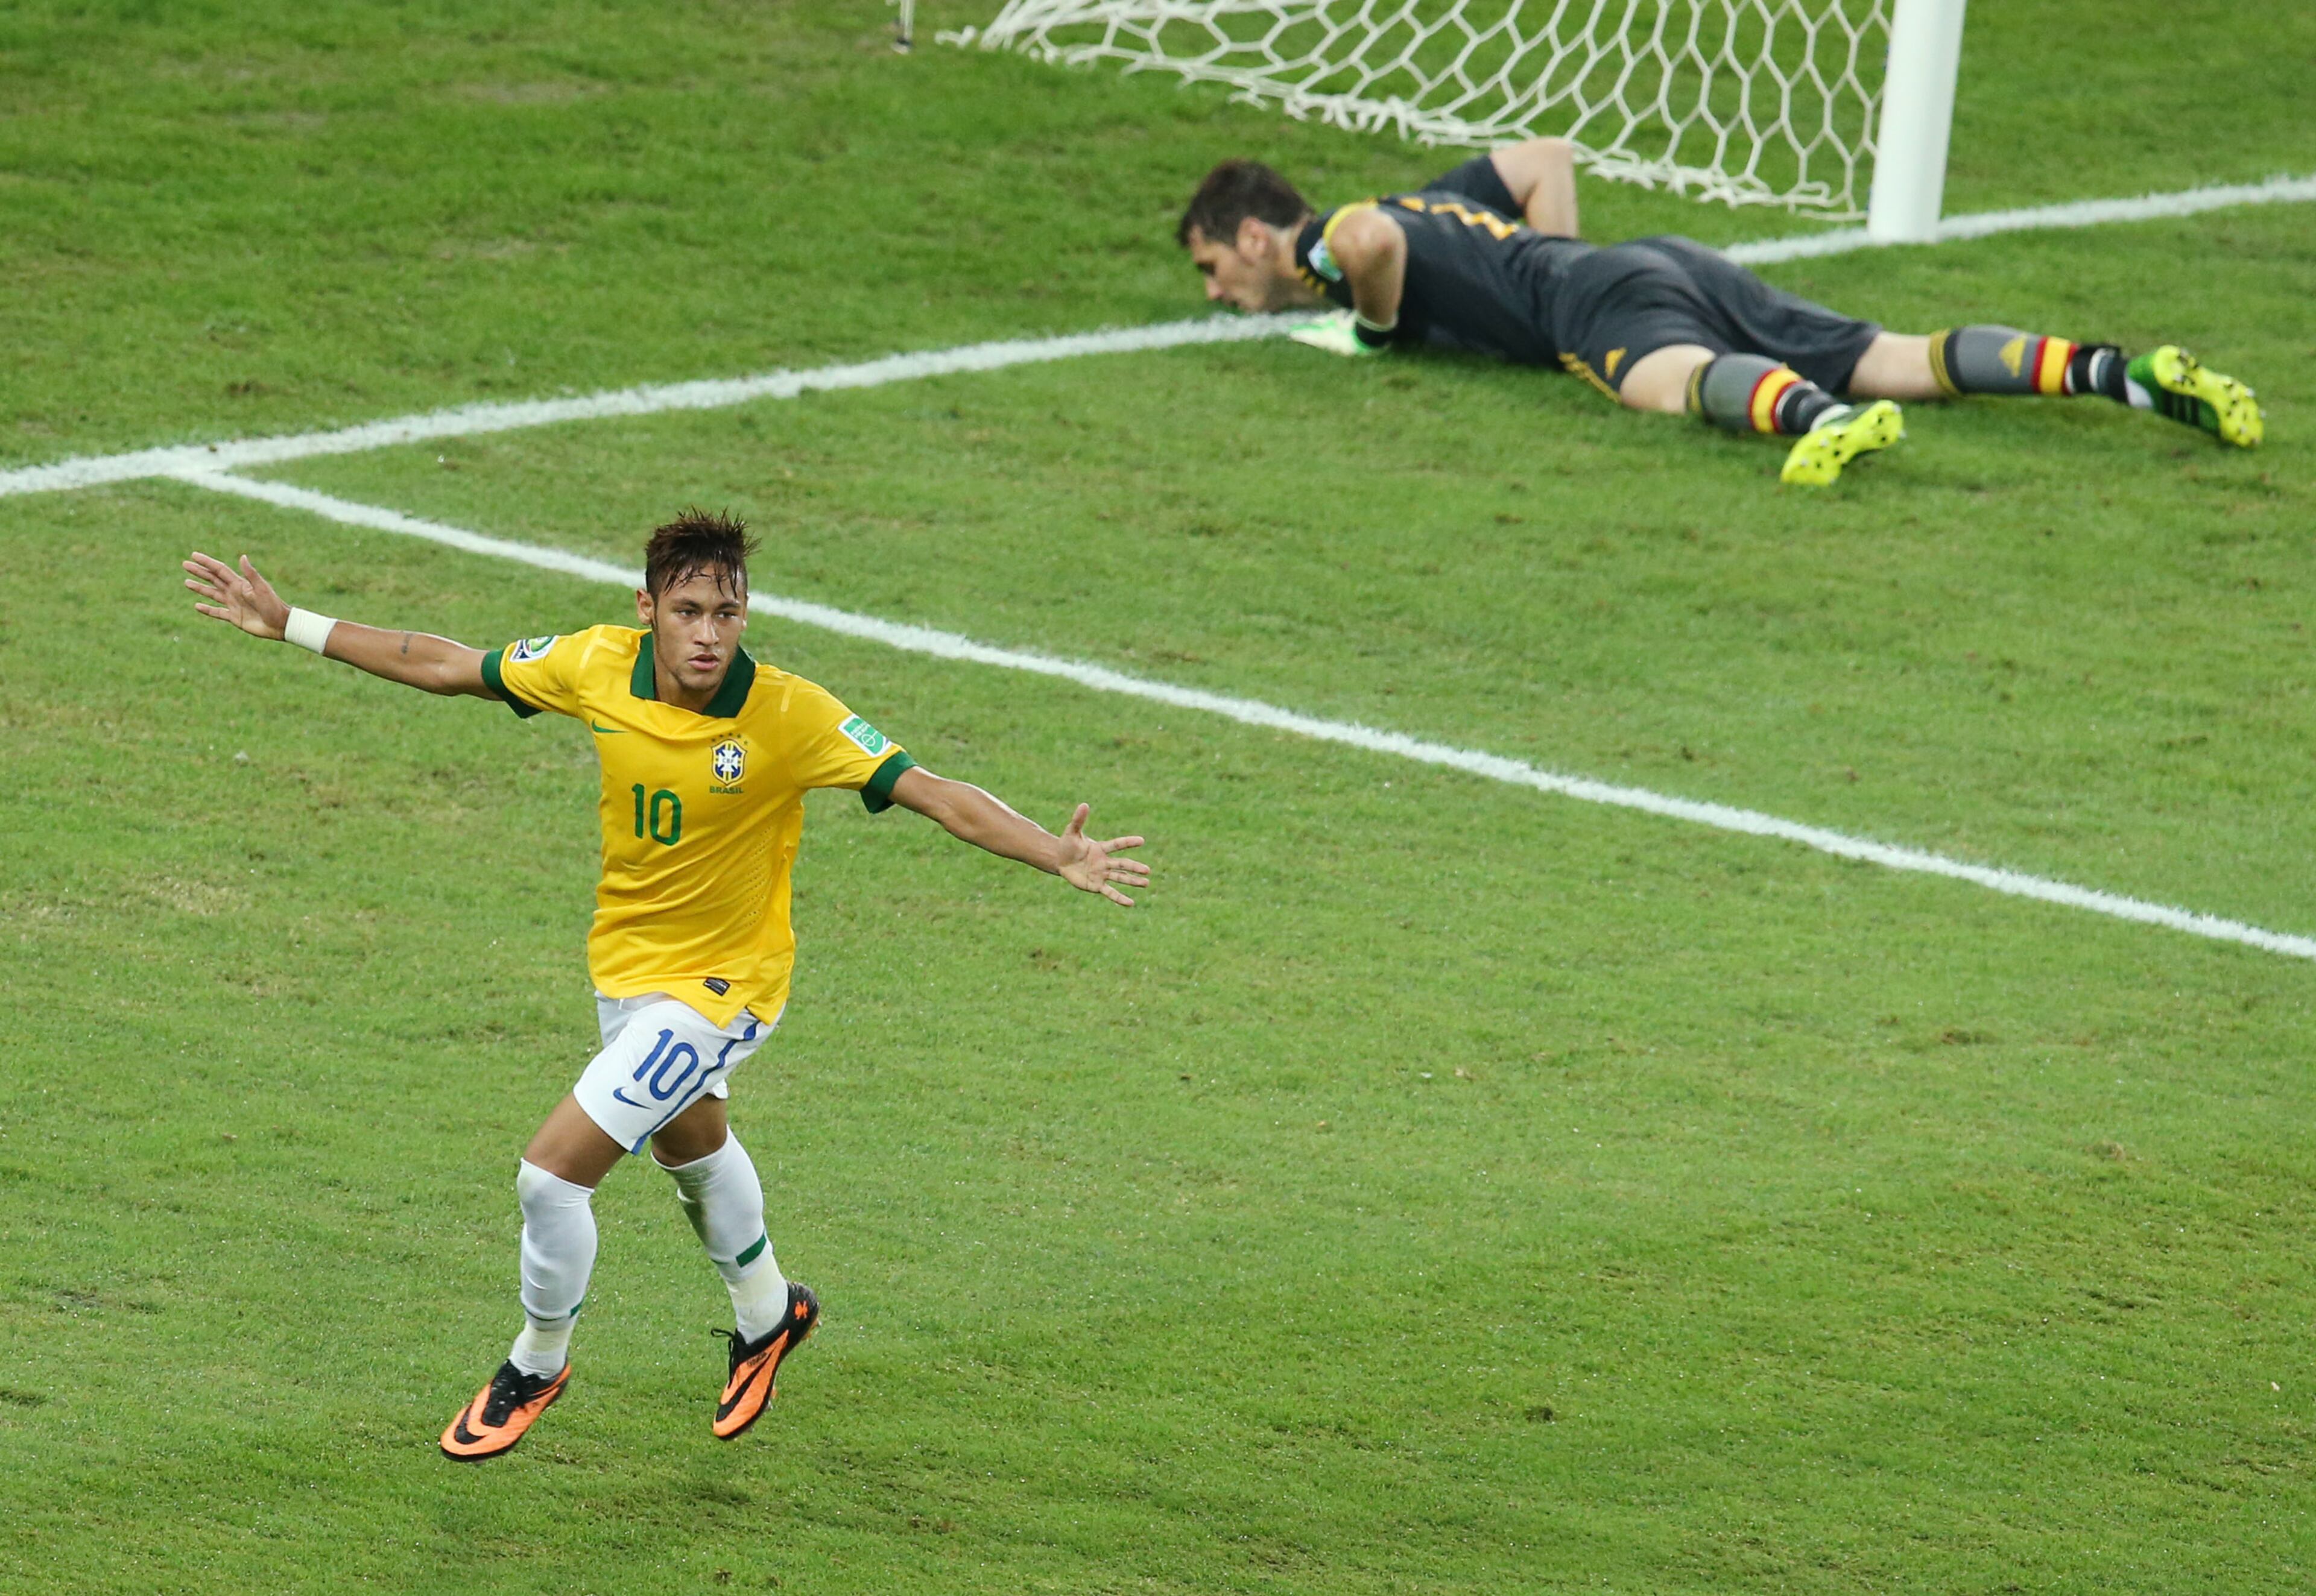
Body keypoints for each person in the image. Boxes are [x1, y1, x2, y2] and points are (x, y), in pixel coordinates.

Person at [182, 510, 1151, 1461]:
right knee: (692, 1145)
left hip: (729, 987)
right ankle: (771, 1316)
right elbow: (448, 664)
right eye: (690, 611)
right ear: (648, 609)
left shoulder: (791, 715)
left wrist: (1052, 853)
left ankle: (538, 1361)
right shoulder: (596, 664)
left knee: (550, 1175)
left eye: (728, 614)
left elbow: (933, 791)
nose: (710, 634)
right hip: (628, 972)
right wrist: (292, 624)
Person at [1178, 142, 2263, 485]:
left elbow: (1367, 240)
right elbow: (1542, 156)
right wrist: (1579, 253)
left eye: (1215, 268)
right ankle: (2119, 371)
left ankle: (1814, 423)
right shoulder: (1441, 196)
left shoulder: (1335, 243)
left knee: (1666, 387)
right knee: (1890, 354)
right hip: (1655, 260)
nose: (1222, 293)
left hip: (1593, 297)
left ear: (1261, 238)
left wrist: (1373, 330)